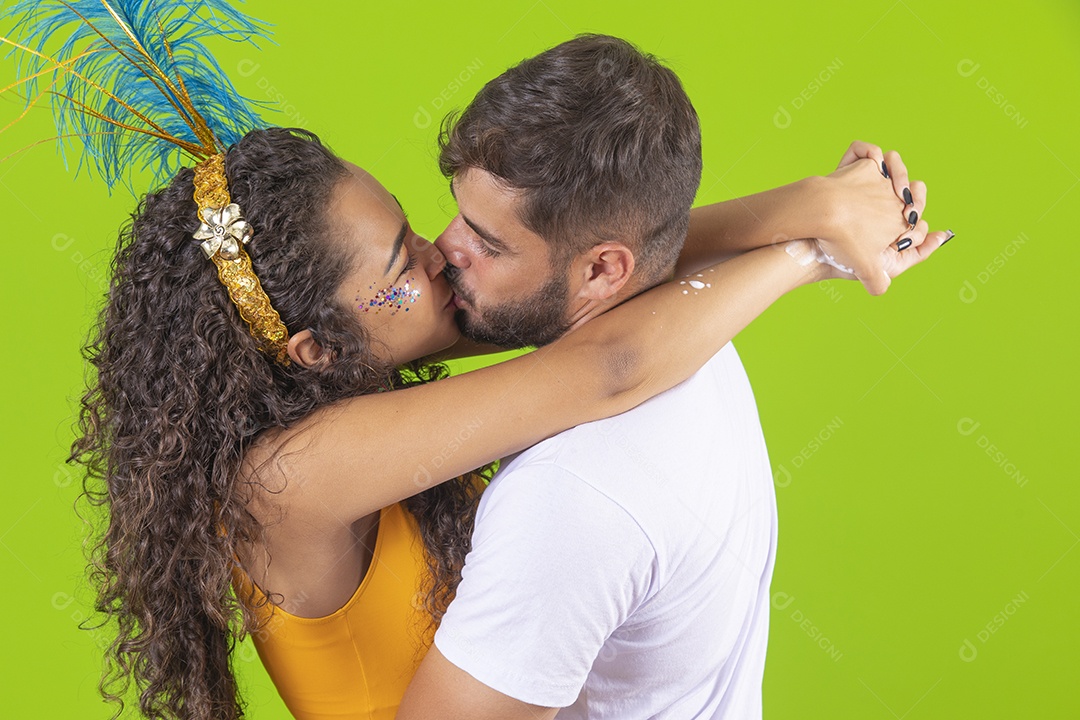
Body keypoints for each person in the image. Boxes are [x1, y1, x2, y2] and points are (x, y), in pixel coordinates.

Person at [1, 5, 942, 720]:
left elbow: (588, 269)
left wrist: (821, 202)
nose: (442, 254)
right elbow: (604, 358)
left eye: (419, 228)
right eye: (402, 261)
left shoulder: (341, 385)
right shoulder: (293, 478)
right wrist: (806, 251)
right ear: (318, 349)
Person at [397, 35, 950, 720]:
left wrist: (812, 234)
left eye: (488, 241)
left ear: (603, 271)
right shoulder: (693, 334)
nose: (448, 246)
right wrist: (812, 228)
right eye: (461, 214)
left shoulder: (569, 495)